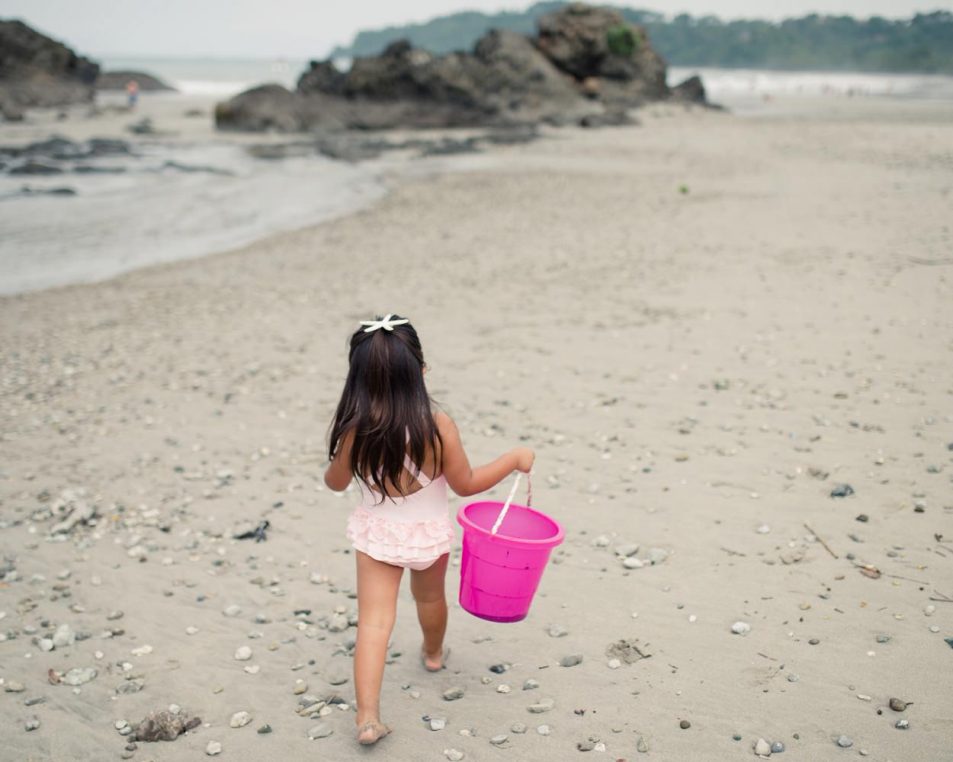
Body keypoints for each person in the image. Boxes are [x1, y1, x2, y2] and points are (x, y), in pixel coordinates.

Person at [324, 314, 534, 745]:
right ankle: (434, 654)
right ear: (420, 371)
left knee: (374, 624)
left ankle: (367, 718)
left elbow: (336, 481)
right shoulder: (437, 426)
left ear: (357, 380)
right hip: (428, 538)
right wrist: (513, 458)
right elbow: (466, 484)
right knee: (431, 597)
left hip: (377, 538)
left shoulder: (354, 430)